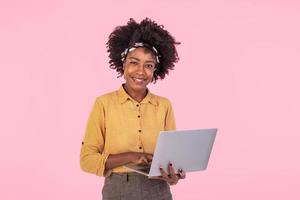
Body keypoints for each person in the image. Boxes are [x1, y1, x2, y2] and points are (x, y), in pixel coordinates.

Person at [80, 18, 186, 200]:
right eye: (134, 62)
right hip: (119, 190)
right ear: (123, 64)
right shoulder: (104, 104)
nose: (140, 71)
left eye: (149, 65)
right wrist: (132, 156)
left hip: (158, 190)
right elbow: (87, 160)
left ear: (155, 71)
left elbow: (170, 161)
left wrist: (173, 176)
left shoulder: (164, 106)